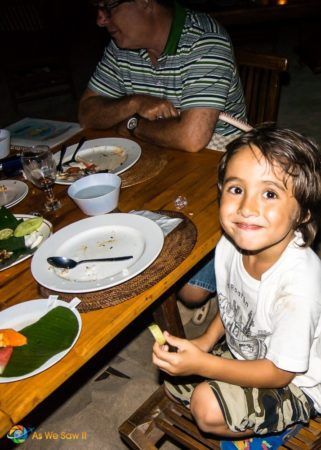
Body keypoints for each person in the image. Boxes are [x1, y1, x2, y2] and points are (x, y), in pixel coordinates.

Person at [152, 125, 321, 441]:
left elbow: (281, 372)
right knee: (171, 381)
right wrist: (205, 341)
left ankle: (284, 418)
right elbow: (233, 300)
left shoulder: (300, 285)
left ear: (303, 213)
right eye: (236, 189)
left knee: (205, 407)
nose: (247, 208)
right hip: (248, 353)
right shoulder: (230, 244)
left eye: (269, 193)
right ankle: (238, 401)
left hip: (295, 382)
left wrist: (204, 363)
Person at [78, 0, 246, 153]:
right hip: (157, 150)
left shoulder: (205, 40)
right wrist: (134, 103)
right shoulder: (120, 47)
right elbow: (86, 114)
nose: (100, 20)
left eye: (108, 7)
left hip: (216, 158)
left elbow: (191, 138)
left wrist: (133, 125)